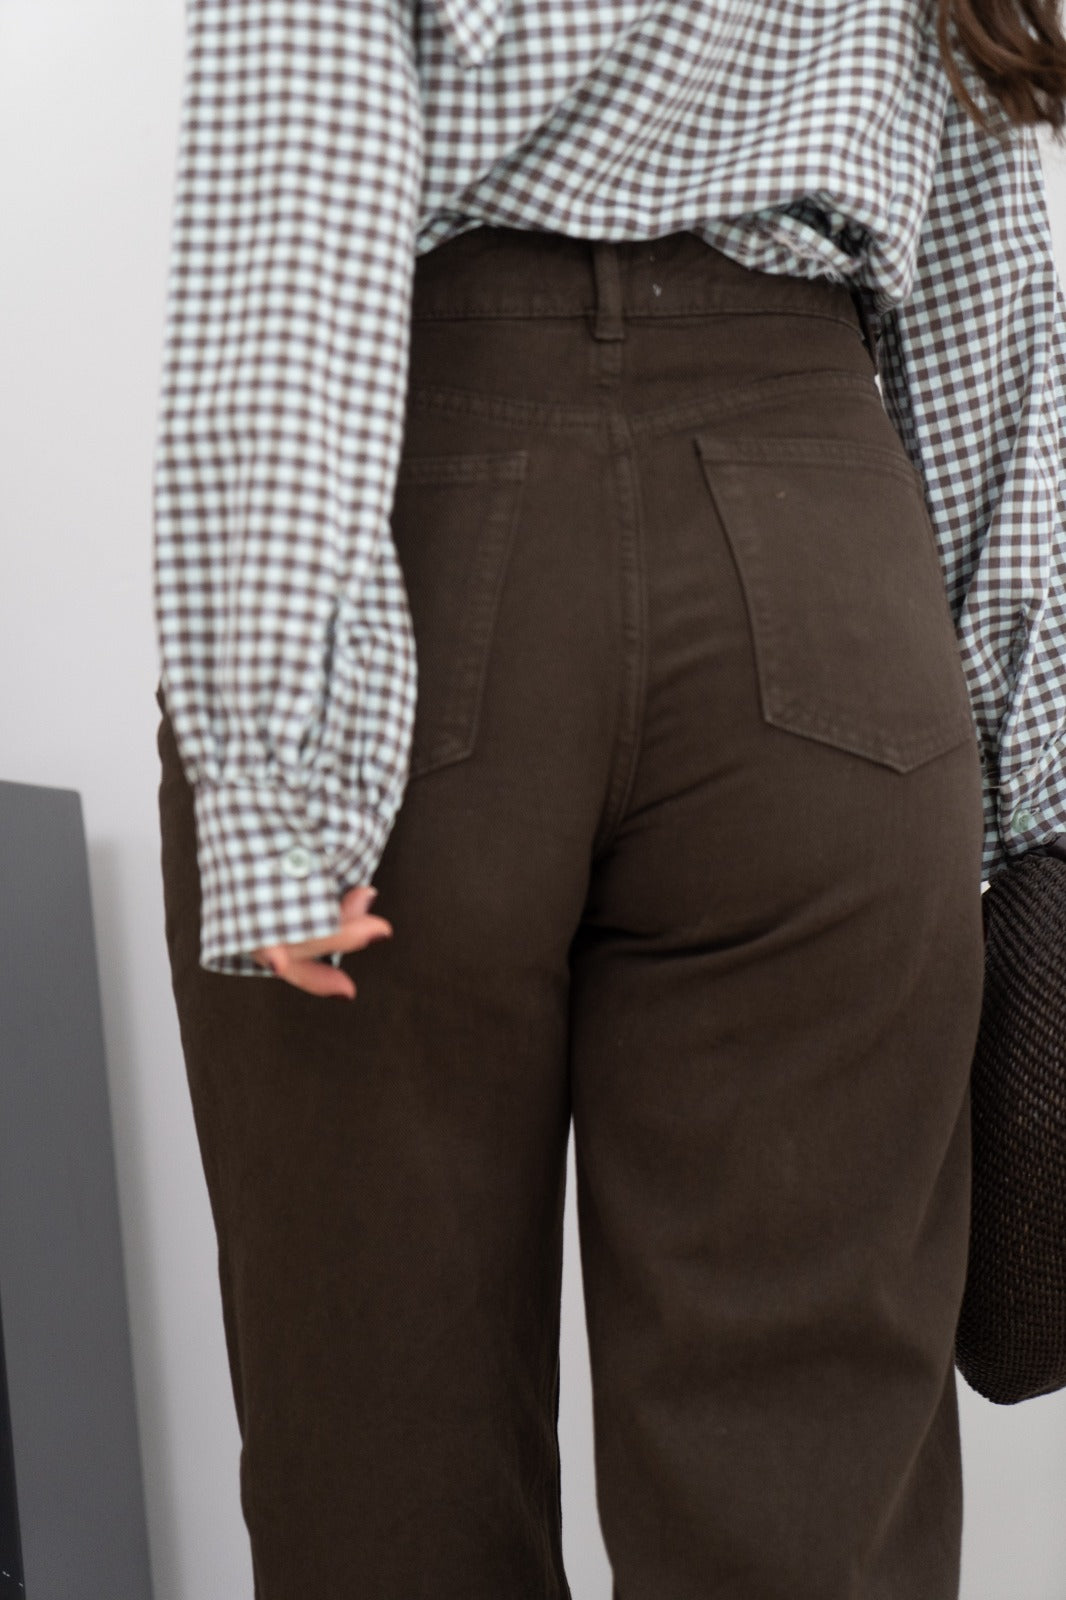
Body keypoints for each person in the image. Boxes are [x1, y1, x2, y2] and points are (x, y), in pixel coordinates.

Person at [151, 0, 1066, 1594]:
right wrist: (1033, 794)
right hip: (828, 572)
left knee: (380, 1460)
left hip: (431, 559)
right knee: (809, 1484)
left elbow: (291, 229)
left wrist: (274, 784)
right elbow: (994, 291)